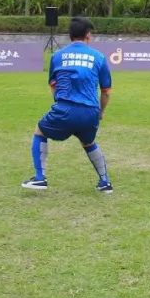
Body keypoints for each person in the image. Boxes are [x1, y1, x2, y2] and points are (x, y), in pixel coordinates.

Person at [21, 16, 113, 192]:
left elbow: (53, 85)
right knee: (89, 142)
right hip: (90, 112)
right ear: (88, 34)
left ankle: (40, 178)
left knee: (40, 131)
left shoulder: (57, 56)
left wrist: (60, 105)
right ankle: (105, 182)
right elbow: (106, 91)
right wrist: (100, 112)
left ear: (70, 35)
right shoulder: (99, 57)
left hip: (65, 109)